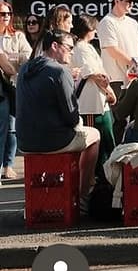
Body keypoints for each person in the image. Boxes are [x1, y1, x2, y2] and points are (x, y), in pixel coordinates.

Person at [16, 30, 101, 209]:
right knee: (94, 135)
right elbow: (71, 117)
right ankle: (82, 196)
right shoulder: (60, 71)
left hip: (24, 141)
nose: (72, 52)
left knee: (78, 135)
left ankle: (58, 193)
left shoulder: (25, 68)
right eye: (69, 48)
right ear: (55, 46)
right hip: (53, 141)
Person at [97, 0, 138, 143]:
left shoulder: (133, 23)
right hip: (116, 78)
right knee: (119, 119)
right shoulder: (106, 22)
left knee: (134, 118)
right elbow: (112, 49)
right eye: (127, 1)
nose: (131, 4)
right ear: (116, 1)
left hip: (134, 77)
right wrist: (133, 63)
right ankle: (116, 154)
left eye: (132, 1)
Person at [70, 15, 117, 172]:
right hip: (90, 104)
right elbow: (93, 74)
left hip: (97, 102)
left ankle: (102, 176)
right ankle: (97, 177)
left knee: (105, 141)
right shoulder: (81, 48)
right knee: (96, 142)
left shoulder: (85, 47)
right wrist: (109, 91)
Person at [0, 1, 31, 180]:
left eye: (8, 14)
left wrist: (8, 59)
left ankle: (8, 165)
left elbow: (26, 58)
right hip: (1, 87)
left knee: (11, 127)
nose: (6, 17)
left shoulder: (17, 36)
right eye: (2, 14)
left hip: (12, 86)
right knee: (2, 126)